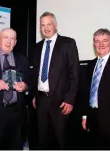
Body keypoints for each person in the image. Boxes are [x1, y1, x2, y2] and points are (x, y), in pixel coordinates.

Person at [32, 11, 79, 149]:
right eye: (42, 25)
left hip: (61, 103)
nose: (46, 28)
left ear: (55, 25)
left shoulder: (68, 43)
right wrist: (35, 95)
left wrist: (70, 99)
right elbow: (36, 73)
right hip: (41, 101)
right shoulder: (37, 47)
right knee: (43, 141)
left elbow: (75, 74)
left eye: (49, 24)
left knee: (61, 141)